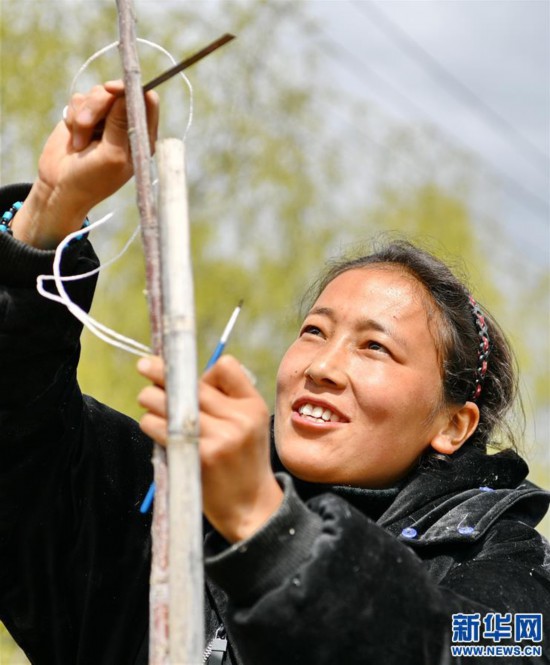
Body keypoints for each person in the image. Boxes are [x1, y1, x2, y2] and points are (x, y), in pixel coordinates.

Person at [0, 82, 548, 665]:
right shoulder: (160, 500)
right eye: (314, 331)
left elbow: (431, 646)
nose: (322, 366)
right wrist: (48, 215)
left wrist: (266, 528)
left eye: (375, 347)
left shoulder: (508, 584)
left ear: (454, 424)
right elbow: (20, 436)